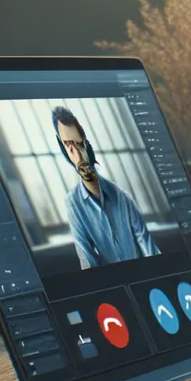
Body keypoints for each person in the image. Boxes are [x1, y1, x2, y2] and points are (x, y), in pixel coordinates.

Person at [52, 105, 161, 269]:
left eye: (79, 144)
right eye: (68, 145)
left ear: (86, 143)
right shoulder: (73, 203)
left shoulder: (121, 196)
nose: (77, 153)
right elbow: (87, 257)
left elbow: (146, 243)